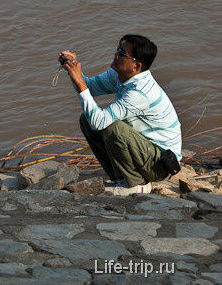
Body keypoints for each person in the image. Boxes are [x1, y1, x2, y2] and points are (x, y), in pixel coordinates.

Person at [59, 34, 182, 196]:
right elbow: (90, 87)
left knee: (113, 127)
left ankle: (136, 185)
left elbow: (99, 121)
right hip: (145, 151)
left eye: (122, 54)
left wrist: (80, 83)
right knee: (86, 119)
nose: (116, 55)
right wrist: (72, 68)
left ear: (136, 66)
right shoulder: (118, 75)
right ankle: (121, 178)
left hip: (160, 164)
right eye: (118, 50)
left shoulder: (140, 93)